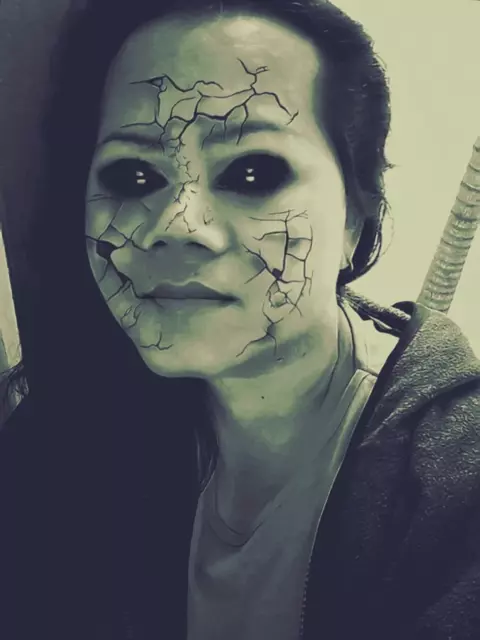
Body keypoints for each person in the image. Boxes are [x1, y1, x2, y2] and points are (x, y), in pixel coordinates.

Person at [1, 0, 479, 638]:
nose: (177, 226)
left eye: (253, 172)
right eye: (133, 174)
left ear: (354, 219)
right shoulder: (70, 429)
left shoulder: (457, 488)